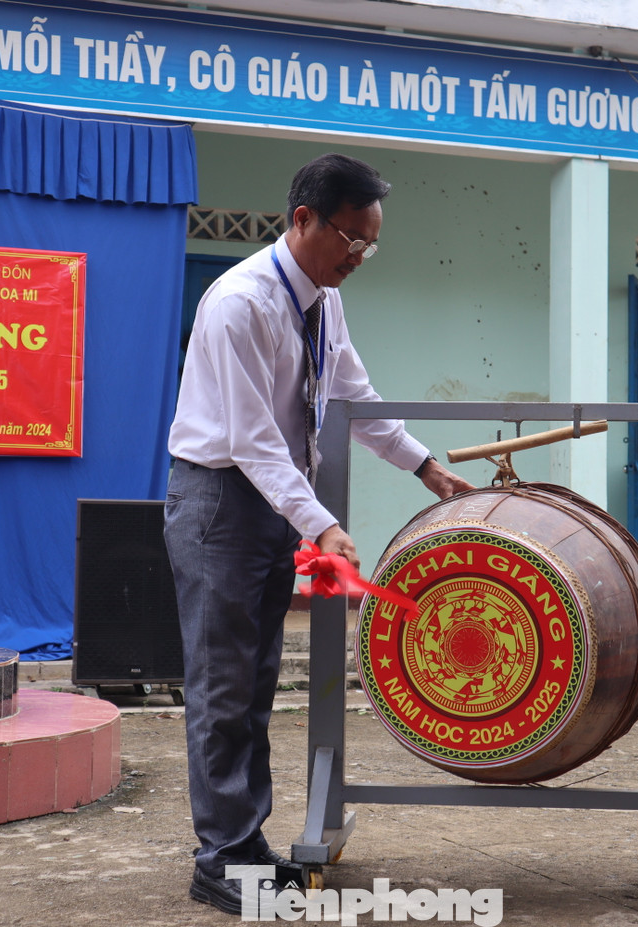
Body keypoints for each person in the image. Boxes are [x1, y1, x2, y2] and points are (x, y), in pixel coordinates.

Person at [163, 152, 473, 916]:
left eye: (370, 244)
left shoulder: (323, 302)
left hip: (269, 505)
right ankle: (220, 859)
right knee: (222, 683)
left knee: (256, 680)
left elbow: (355, 398)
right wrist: (325, 525)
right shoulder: (240, 302)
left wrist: (425, 467)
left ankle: (244, 840)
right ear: (302, 219)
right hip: (220, 504)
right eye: (349, 239)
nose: (359, 257)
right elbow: (255, 439)